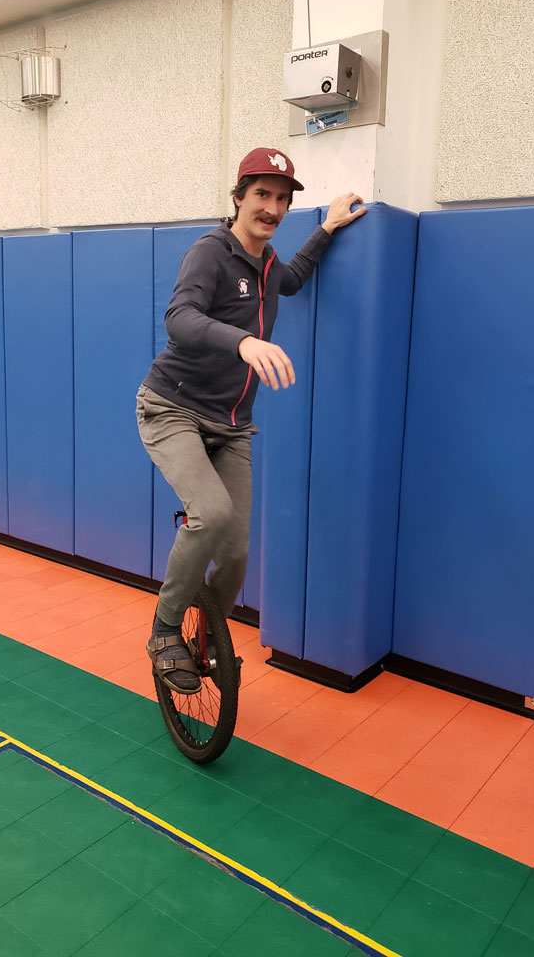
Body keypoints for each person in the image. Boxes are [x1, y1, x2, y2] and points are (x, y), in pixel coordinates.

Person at [136, 147, 366, 693]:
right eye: (262, 194)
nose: (273, 207)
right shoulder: (210, 253)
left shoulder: (266, 264)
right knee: (210, 514)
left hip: (232, 425)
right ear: (238, 197)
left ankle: (207, 634)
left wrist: (328, 228)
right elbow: (180, 317)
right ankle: (166, 628)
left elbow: (291, 280)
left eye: (283, 199)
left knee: (236, 554)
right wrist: (242, 342)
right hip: (173, 408)